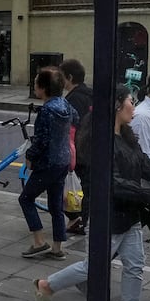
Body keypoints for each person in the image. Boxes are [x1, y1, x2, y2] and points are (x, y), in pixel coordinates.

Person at [34, 85, 150, 301]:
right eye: (131, 101)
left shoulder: (127, 136)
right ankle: (46, 285)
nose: (134, 107)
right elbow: (115, 185)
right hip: (106, 215)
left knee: (135, 265)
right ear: (117, 105)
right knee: (93, 267)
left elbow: (146, 167)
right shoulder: (100, 141)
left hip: (130, 213)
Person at [19, 66, 78, 259]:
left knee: (26, 198)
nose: (34, 85)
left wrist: (30, 156)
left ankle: (38, 241)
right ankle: (57, 248)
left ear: (43, 88)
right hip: (63, 161)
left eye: (36, 82)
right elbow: (77, 119)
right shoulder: (66, 105)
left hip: (47, 164)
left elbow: (42, 140)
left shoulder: (46, 111)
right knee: (55, 206)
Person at [60, 59, 91, 235]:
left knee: (82, 188)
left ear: (70, 77)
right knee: (87, 187)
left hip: (80, 151)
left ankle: (81, 221)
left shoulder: (71, 99)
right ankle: (81, 220)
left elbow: (70, 129)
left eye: (62, 77)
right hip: (94, 148)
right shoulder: (90, 93)